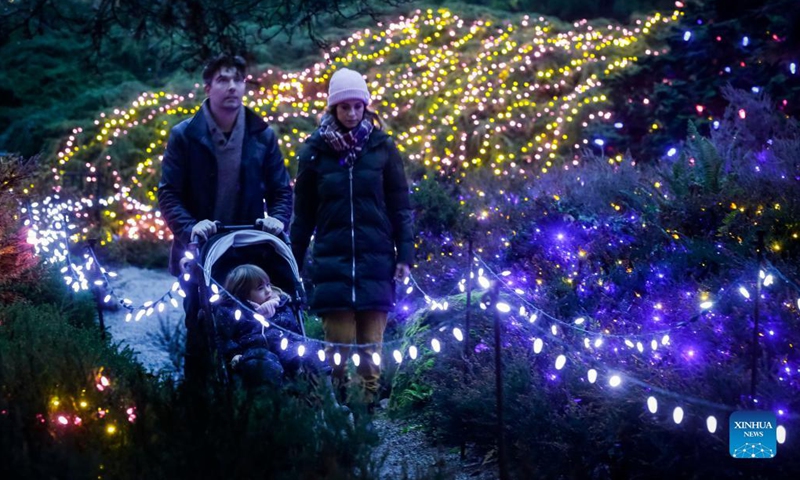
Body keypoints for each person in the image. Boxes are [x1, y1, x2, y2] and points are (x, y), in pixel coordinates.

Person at [157, 54, 292, 384]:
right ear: (208, 87)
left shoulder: (262, 135)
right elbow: (168, 193)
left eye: (237, 80)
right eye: (222, 80)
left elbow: (282, 191)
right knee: (201, 328)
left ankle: (265, 399)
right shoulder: (185, 135)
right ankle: (200, 408)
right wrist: (190, 228)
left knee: (259, 328)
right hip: (201, 252)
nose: (232, 86)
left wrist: (276, 219)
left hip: (249, 250)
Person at [290, 67, 414, 408]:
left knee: (371, 349)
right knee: (340, 349)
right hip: (333, 262)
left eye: (357, 106)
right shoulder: (314, 152)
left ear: (365, 107)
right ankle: (345, 406)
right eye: (345, 107)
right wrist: (292, 261)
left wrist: (404, 254)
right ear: (333, 108)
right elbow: (303, 215)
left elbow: (400, 205)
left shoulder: (382, 147)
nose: (352, 113)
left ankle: (367, 414)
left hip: (376, 260)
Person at [214, 264, 330, 389]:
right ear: (243, 294)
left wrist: (298, 344)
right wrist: (234, 354)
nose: (268, 290)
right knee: (263, 363)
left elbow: (292, 329)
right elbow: (225, 337)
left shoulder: (280, 305)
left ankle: (328, 396)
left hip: (284, 348)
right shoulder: (233, 312)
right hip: (253, 353)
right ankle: (274, 402)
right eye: (260, 288)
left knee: (312, 348)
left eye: (268, 285)